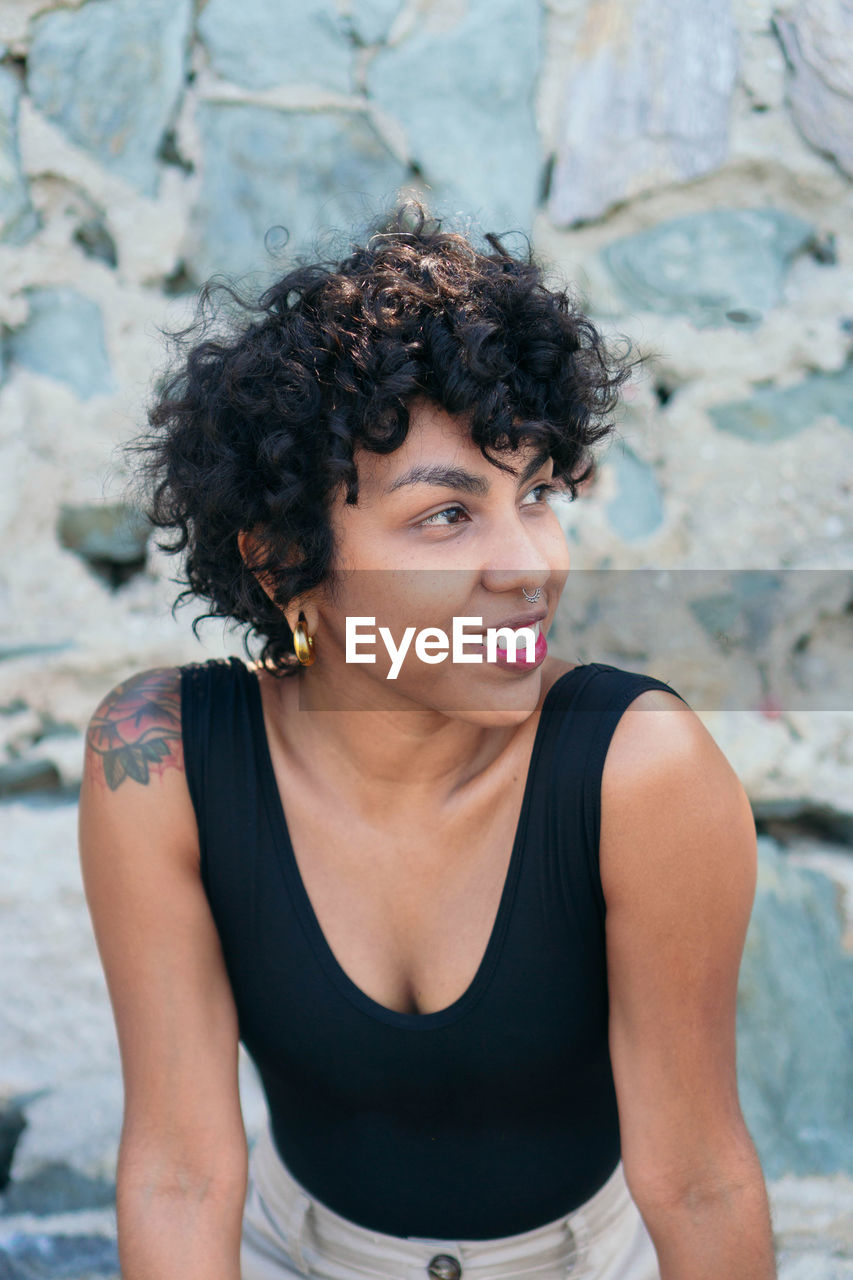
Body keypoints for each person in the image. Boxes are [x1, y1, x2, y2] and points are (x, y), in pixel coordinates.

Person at [78, 199, 777, 1280]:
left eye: (535, 492)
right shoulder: (156, 756)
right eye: (446, 514)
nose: (527, 563)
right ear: (283, 564)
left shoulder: (641, 770)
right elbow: (178, 1171)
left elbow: (696, 1179)